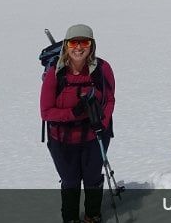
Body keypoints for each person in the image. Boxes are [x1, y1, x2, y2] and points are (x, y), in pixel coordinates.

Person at [40, 24, 115, 223]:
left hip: (95, 136)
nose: (79, 48)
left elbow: (109, 100)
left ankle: (92, 216)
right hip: (62, 140)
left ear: (92, 45)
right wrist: (74, 113)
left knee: (93, 178)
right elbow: (46, 112)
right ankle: (70, 218)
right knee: (70, 181)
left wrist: (102, 123)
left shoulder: (102, 69)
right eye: (74, 43)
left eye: (84, 42)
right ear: (66, 45)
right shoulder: (55, 74)